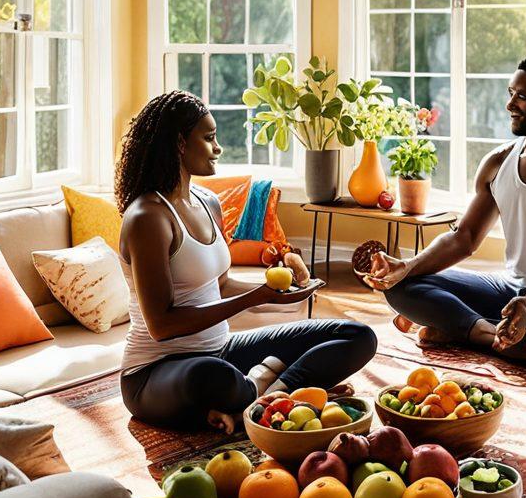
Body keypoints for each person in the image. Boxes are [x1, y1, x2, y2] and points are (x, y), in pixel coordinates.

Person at [116, 90, 377, 431]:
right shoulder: (148, 217)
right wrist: (255, 299)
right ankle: (274, 389)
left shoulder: (208, 202)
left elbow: (221, 285)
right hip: (156, 373)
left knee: (357, 336)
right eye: (209, 138)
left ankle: (259, 401)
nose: (218, 148)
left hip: (221, 349)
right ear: (180, 143)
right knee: (214, 376)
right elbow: (162, 326)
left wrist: (275, 292)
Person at [366, 56, 526, 372]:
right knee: (400, 286)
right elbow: (464, 237)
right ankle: (494, 338)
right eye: (511, 93)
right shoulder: (498, 162)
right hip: (512, 291)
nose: (510, 104)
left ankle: (461, 327)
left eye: (522, 97)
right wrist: (407, 266)